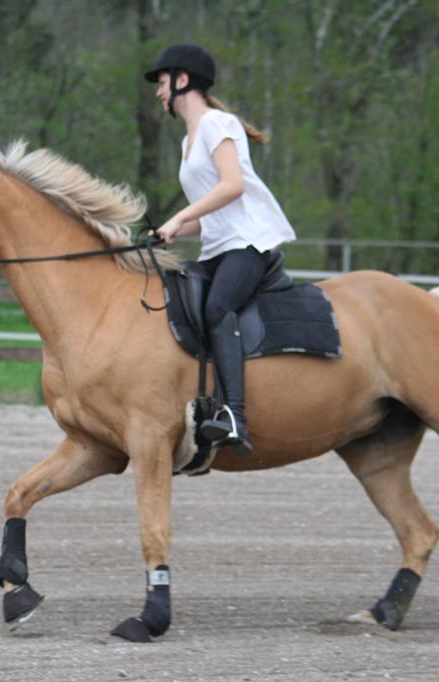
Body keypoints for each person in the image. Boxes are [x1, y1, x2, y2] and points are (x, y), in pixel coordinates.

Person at [146, 43, 296, 457]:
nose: (158, 93)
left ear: (181, 81)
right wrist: (172, 229)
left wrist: (179, 217)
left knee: (216, 309)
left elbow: (233, 186)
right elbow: (210, 210)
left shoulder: (217, 124)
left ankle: (235, 416)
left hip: (248, 242)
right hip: (219, 245)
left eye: (161, 83)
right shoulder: (187, 142)